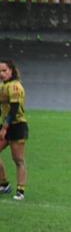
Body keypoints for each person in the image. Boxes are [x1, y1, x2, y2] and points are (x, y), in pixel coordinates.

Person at [0, 59, 29, 201]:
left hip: (17, 126)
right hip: (6, 125)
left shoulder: (15, 87)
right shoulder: (4, 86)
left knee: (18, 159)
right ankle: (4, 183)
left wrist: (5, 127)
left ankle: (20, 190)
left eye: (4, 70)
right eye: (0, 71)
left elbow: (14, 109)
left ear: (11, 70)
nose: (1, 74)